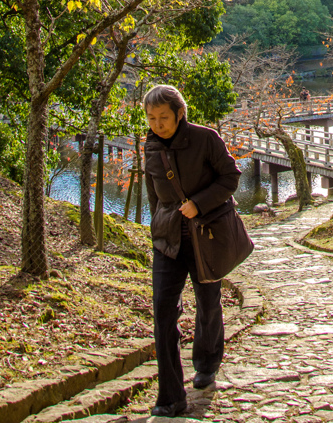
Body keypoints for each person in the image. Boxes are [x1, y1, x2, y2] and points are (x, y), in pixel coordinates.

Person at [143, 84, 242, 417]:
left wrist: (198, 205)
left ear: (180, 113)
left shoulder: (206, 138)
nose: (158, 124)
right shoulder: (151, 145)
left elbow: (230, 178)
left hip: (206, 234)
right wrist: (159, 223)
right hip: (167, 239)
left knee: (208, 301)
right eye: (152, 118)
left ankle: (207, 361)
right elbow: (153, 193)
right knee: (162, 312)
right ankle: (170, 396)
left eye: (164, 117)